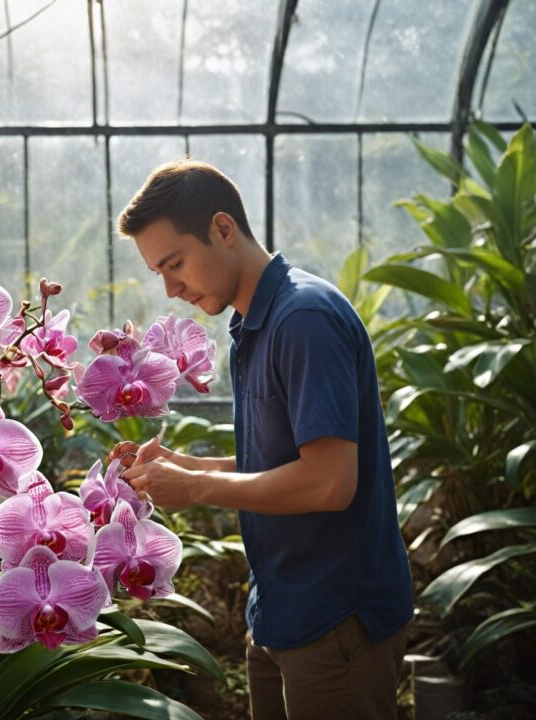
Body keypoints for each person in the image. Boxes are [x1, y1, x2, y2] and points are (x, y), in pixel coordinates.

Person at [111, 160, 413, 720]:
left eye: (175, 263)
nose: (171, 288)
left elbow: (329, 482)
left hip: (335, 620)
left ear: (224, 229)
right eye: (159, 272)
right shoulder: (255, 324)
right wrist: (186, 466)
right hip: (281, 611)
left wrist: (197, 489)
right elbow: (284, 462)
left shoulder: (304, 319)